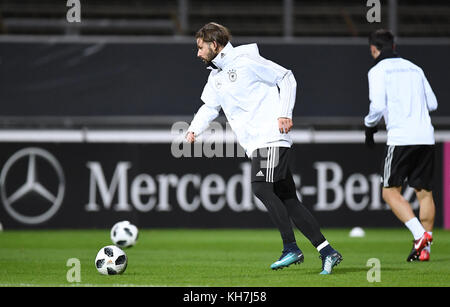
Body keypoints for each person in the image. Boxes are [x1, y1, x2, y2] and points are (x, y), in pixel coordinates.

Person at [186, 22, 342, 274]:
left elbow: (286, 76)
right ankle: (327, 251)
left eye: (201, 47)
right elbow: (209, 108)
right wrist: (194, 128)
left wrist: (284, 113)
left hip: (269, 138)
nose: (198, 53)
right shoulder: (215, 77)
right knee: (289, 200)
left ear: (214, 45)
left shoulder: (246, 61)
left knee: (260, 187)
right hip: (257, 143)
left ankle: (291, 248)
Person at [364, 29, 438, 262]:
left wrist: (369, 126)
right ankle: (424, 251)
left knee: (389, 192)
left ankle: (420, 236)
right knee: (424, 194)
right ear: (394, 46)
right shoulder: (416, 69)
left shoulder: (377, 71)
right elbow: (433, 104)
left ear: (374, 49)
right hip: (425, 137)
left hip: (401, 138)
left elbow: (376, 107)